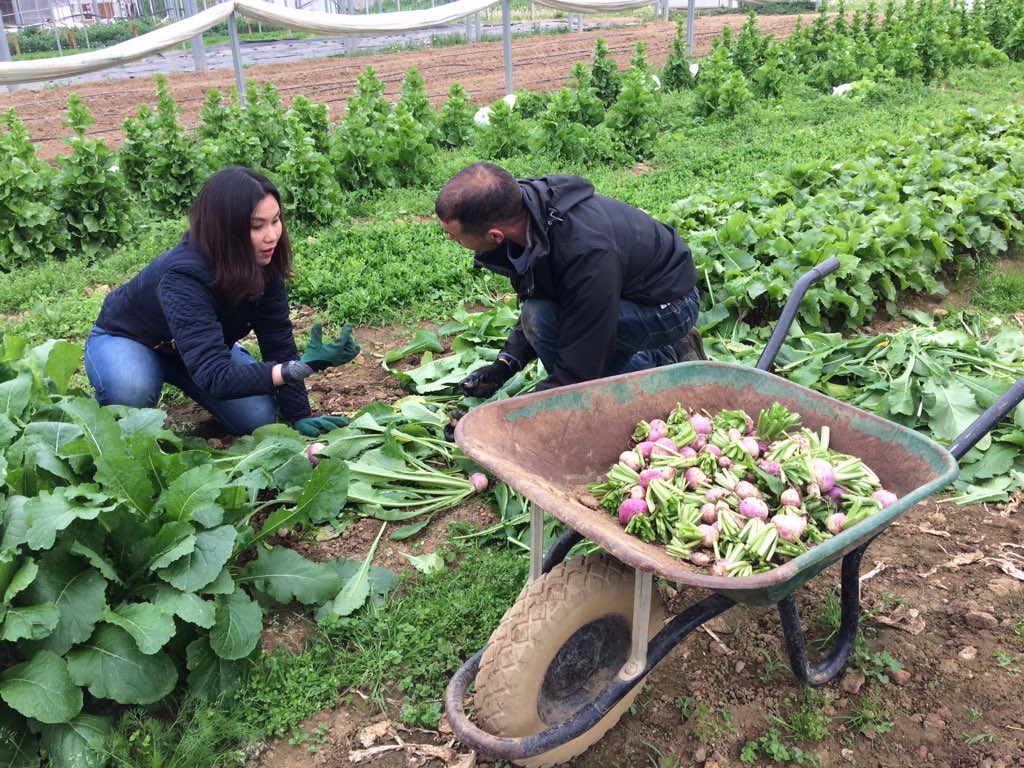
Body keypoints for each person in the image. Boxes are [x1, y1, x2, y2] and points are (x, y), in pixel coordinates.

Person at [84, 166, 358, 437]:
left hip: (195, 350)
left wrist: (298, 413)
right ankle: (106, 419)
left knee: (259, 420)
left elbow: (277, 341)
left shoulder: (264, 261)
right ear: (225, 228)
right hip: (133, 339)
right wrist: (298, 369)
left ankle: (204, 366)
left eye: (275, 220)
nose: (272, 235)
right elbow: (216, 377)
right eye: (256, 226)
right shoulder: (183, 276)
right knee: (130, 392)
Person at [435, 161, 706, 398]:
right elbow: (544, 290)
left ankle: (663, 359)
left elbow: (577, 373)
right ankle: (639, 369)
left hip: (670, 305)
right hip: (617, 292)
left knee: (547, 325)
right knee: (542, 316)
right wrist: (507, 364)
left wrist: (502, 417)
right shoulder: (526, 212)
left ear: (495, 235)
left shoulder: (584, 252)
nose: (450, 239)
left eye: (455, 235)